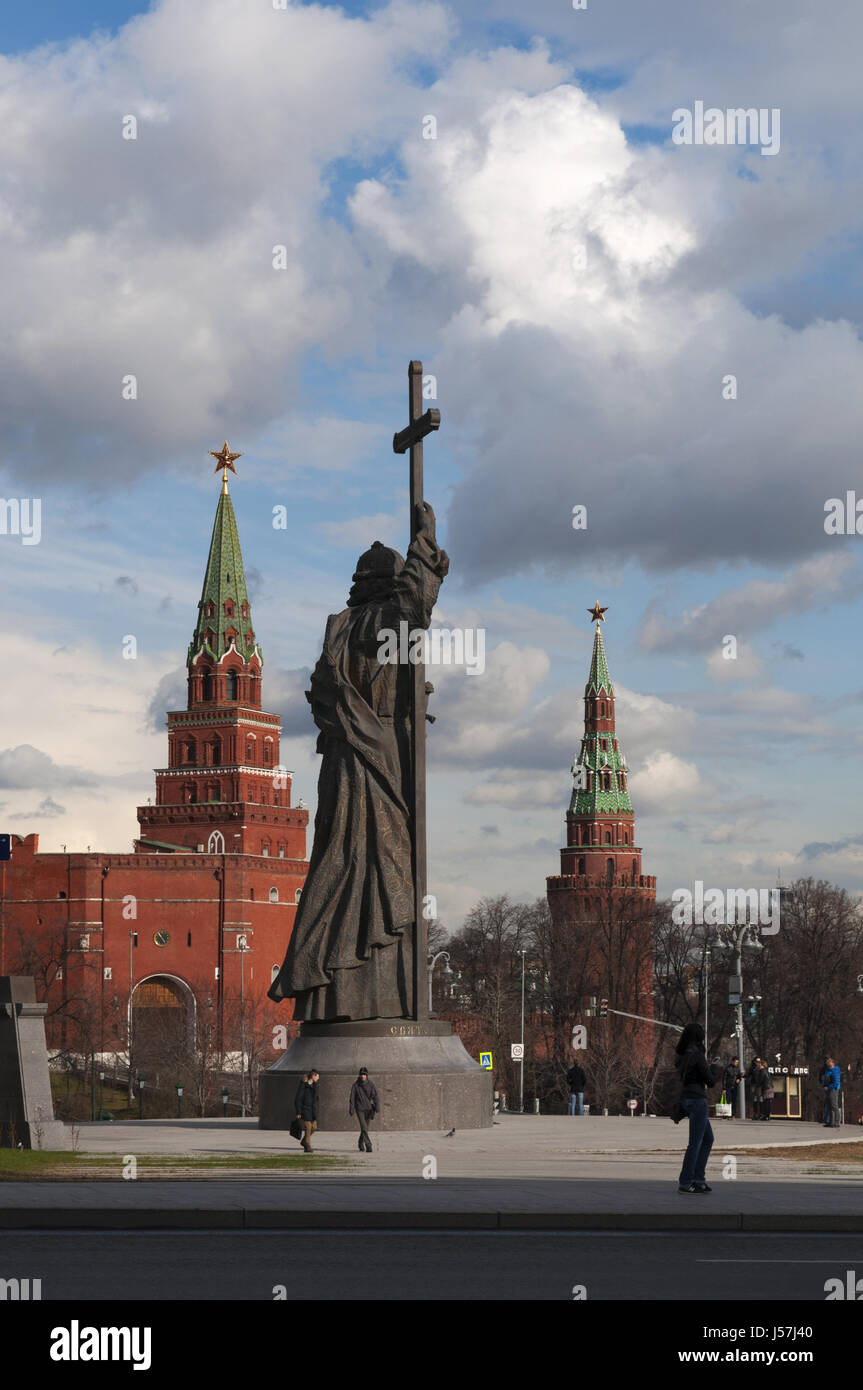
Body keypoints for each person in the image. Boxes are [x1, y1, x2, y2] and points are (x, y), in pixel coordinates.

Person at [675, 1022, 722, 1194]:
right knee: (695, 1142)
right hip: (697, 1100)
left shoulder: (681, 1054)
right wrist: (714, 1067)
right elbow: (710, 1081)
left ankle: (698, 1179)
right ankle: (687, 1181)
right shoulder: (697, 1055)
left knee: (708, 1139)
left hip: (686, 1098)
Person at [349, 1067, 380, 1152]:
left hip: (369, 1109)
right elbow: (352, 1098)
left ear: (367, 1075)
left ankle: (360, 1143)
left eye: (364, 1074)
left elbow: (375, 1096)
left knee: (365, 1128)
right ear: (359, 1075)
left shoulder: (370, 1084)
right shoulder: (355, 1085)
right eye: (361, 1074)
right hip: (360, 1109)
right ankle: (368, 1145)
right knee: (364, 1126)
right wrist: (351, 1108)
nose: (363, 1076)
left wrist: (377, 1106)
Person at [294, 1069, 320, 1153]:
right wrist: (298, 1112)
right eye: (317, 1076)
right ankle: (307, 1146)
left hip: (312, 1111)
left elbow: (316, 1098)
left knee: (314, 1127)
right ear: (313, 1076)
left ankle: (304, 1141)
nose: (318, 1078)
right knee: (308, 1127)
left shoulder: (315, 1085)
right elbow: (298, 1099)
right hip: (305, 1110)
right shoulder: (303, 1085)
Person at [822, 1056, 841, 1128]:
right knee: (829, 1106)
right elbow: (825, 1080)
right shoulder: (828, 1070)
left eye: (829, 1064)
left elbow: (836, 1082)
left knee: (834, 1106)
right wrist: (824, 1086)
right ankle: (830, 1122)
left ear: (833, 1064)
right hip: (828, 1090)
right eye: (827, 1064)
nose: (828, 1066)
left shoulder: (835, 1071)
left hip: (834, 1089)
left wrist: (828, 1087)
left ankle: (837, 1122)